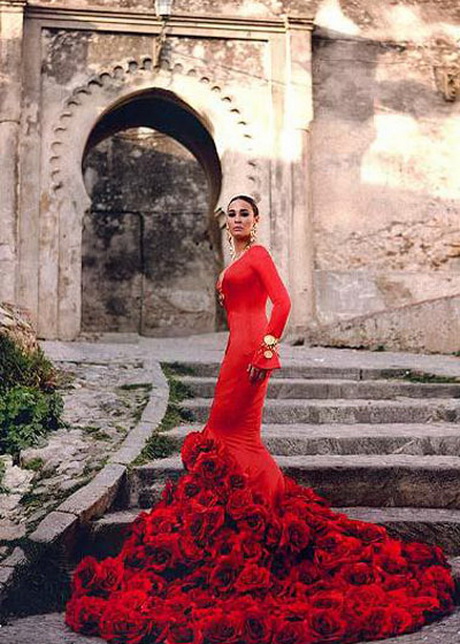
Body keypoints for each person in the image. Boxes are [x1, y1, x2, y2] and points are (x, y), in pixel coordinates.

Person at [66, 195, 455, 644]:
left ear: (257, 220)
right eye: (229, 214)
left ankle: (263, 522)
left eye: (243, 213)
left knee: (233, 438)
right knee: (233, 438)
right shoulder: (238, 258)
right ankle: (249, 521)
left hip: (251, 354)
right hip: (237, 353)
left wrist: (266, 347)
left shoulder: (259, 254)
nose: (235, 219)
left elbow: (283, 303)